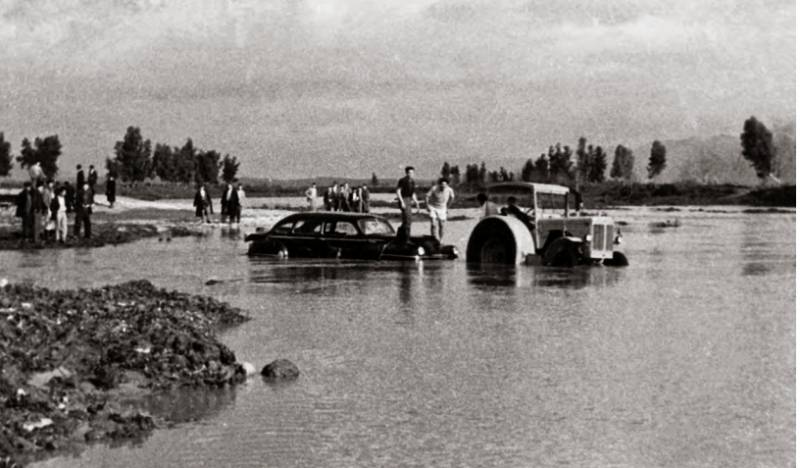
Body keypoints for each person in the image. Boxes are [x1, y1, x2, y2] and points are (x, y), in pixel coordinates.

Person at [425, 177, 455, 243]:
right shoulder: (434, 188)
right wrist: (427, 206)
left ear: (447, 185)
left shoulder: (449, 190)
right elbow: (427, 196)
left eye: (445, 185)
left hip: (442, 208)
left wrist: (448, 207)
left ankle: (441, 240)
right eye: (442, 185)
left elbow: (452, 198)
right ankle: (433, 239)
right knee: (433, 224)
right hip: (433, 207)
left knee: (441, 225)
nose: (443, 186)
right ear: (439, 184)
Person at [395, 166, 419, 243]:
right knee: (408, 219)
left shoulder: (412, 181)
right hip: (404, 199)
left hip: (409, 199)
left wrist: (416, 202)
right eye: (409, 172)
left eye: (412, 172)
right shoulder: (403, 180)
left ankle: (401, 234)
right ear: (406, 173)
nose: (411, 174)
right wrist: (401, 201)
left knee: (407, 220)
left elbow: (413, 193)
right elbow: (398, 191)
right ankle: (407, 238)